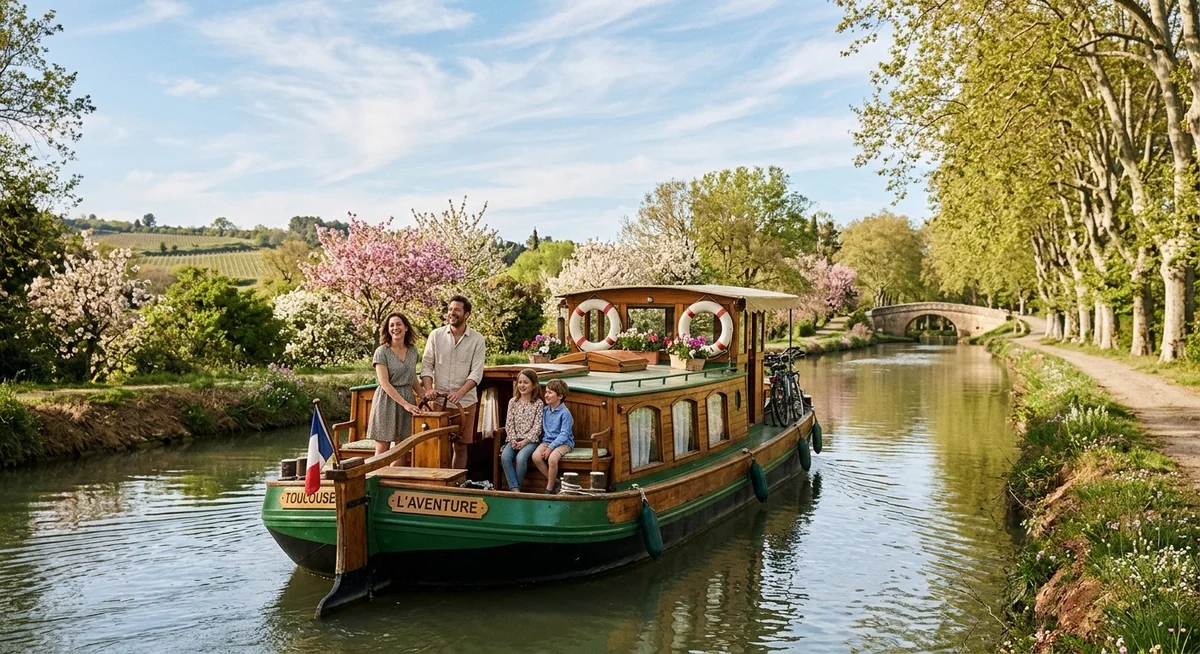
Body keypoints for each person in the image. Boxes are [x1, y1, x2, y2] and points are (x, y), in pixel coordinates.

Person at [421, 295, 486, 469]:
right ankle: (438, 484)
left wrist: (459, 393)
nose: (452, 313)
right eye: (450, 309)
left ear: (467, 314)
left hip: (465, 402)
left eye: (457, 310)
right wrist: (428, 389)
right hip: (439, 402)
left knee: (461, 446)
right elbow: (427, 365)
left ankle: (457, 484)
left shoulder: (477, 339)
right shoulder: (436, 335)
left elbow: (476, 372)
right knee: (437, 445)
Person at [367, 312, 422, 458]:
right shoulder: (381, 352)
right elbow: (384, 383)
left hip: (408, 400)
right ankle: (375, 479)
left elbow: (412, 377)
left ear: (406, 328)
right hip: (386, 401)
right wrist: (405, 404)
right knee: (382, 451)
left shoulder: (412, 350)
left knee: (402, 451)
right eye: (391, 325)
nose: (395, 328)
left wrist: (424, 396)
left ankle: (392, 480)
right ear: (387, 329)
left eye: (398, 324)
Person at [499, 369, 544, 491]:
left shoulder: (538, 403)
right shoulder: (513, 402)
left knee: (521, 458)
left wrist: (525, 441)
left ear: (534, 385)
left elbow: (537, 426)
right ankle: (514, 488)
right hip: (514, 439)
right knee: (505, 457)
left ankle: (516, 488)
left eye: (526, 382)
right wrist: (513, 439)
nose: (522, 385)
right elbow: (509, 423)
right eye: (520, 382)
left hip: (530, 440)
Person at [531, 379, 574, 494]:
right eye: (546, 392)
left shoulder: (565, 413)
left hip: (564, 443)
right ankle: (555, 481)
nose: (546, 395)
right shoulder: (545, 410)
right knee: (536, 456)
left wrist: (551, 447)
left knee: (553, 459)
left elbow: (564, 434)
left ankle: (549, 488)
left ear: (559, 396)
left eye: (550, 392)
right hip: (547, 441)